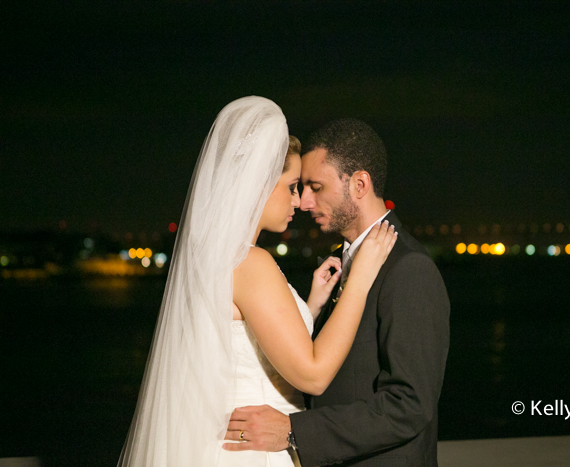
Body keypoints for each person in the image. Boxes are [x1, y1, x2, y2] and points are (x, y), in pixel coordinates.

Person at [118, 98, 397, 467]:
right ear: (257, 184)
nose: (299, 201)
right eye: (291, 187)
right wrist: (359, 278)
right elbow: (312, 376)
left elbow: (246, 340)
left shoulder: (213, 258)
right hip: (254, 452)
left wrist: (309, 306)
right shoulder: (250, 263)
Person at [224, 119, 451, 466]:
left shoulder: (408, 268)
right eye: (302, 187)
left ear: (359, 184)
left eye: (316, 187)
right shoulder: (335, 266)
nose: (304, 202)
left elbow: (410, 406)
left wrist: (294, 431)